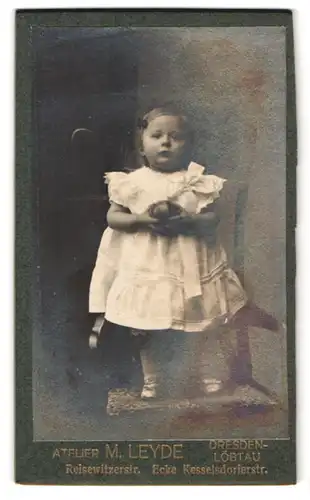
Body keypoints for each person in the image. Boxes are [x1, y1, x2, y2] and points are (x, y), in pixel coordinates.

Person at [89, 104, 252, 399]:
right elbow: (114, 217)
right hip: (148, 266)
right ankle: (153, 379)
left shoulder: (197, 182)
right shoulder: (131, 183)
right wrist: (142, 219)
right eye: (157, 135)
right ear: (142, 143)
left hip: (191, 264)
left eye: (176, 137)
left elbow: (212, 219)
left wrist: (187, 221)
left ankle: (207, 372)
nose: (166, 142)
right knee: (145, 326)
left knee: (203, 321)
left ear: (188, 145)